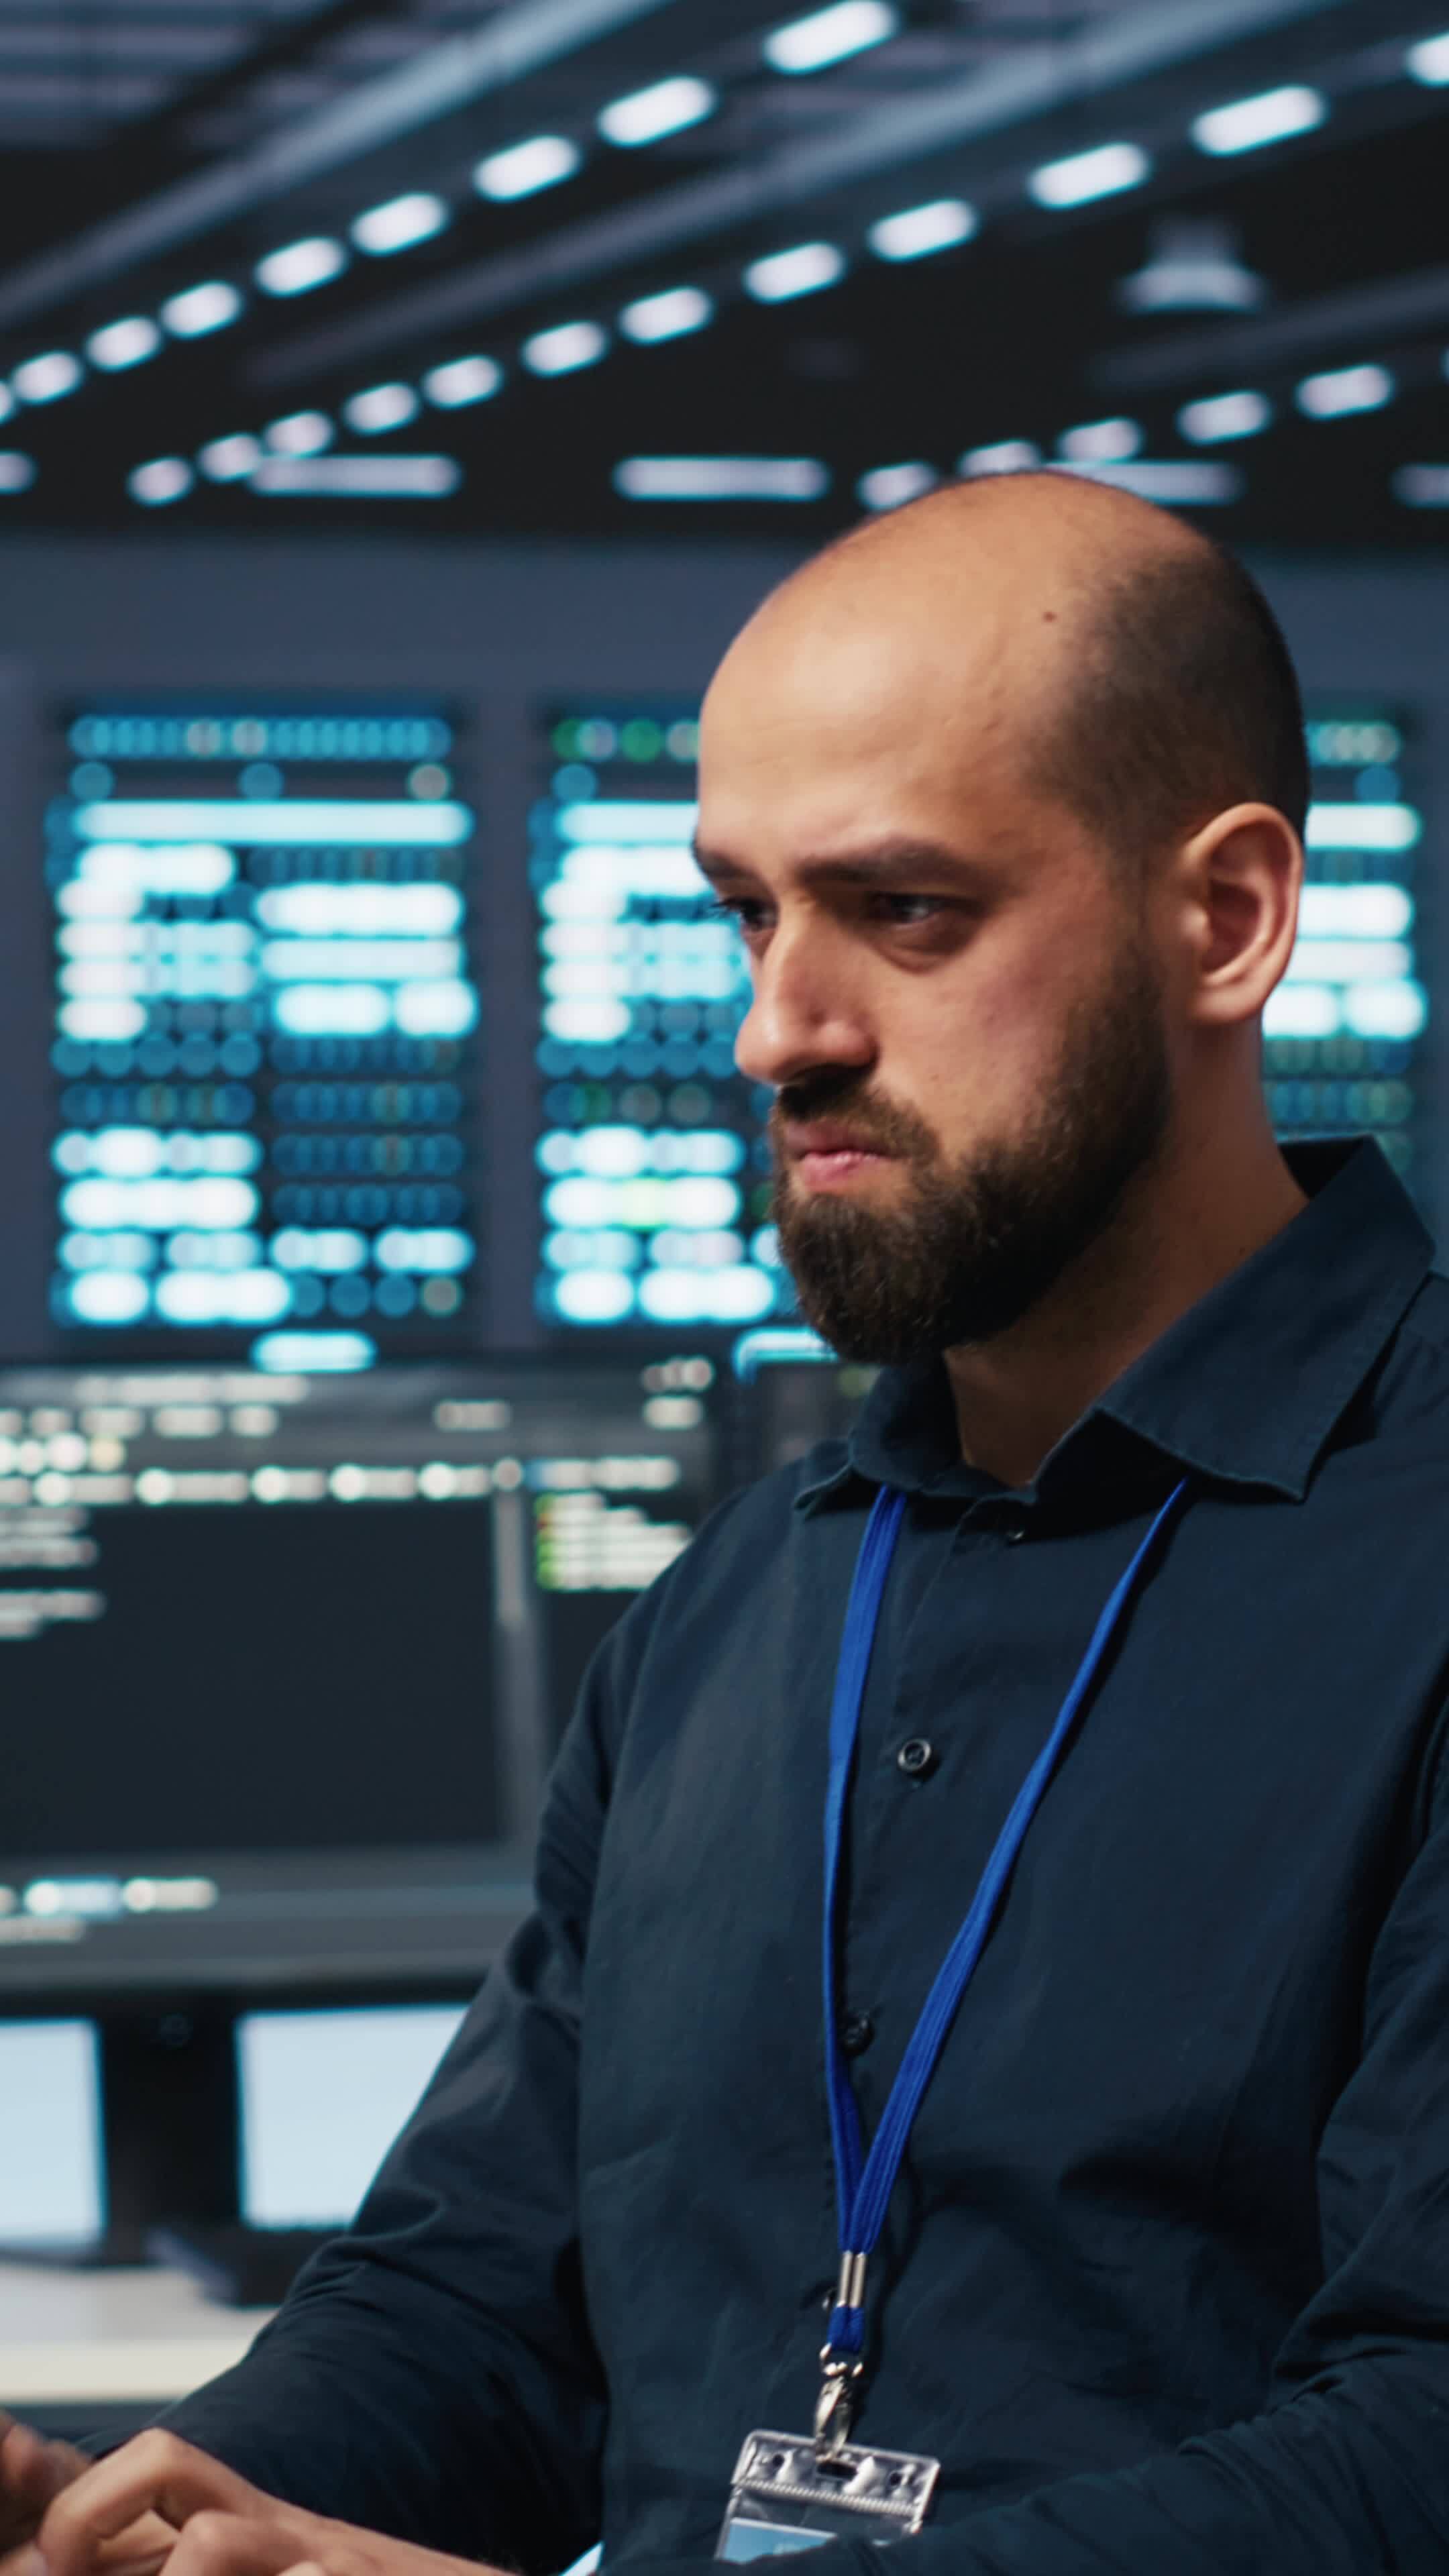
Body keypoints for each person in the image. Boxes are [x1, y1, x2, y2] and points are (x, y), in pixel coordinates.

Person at [7, 470, 1449, 2576]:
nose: (781, 1028)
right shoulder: (743, 1606)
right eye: (748, 913)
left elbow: (1420, 2446)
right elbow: (484, 2308)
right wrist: (147, 2520)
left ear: (1223, 920)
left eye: (909, 912)